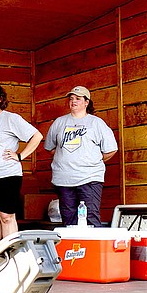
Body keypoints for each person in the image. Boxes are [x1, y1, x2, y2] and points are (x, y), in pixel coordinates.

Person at [0, 82, 42, 247]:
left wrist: (20, 156)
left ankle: (12, 256)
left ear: (1, 98)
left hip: (7, 176)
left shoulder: (11, 118)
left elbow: (37, 136)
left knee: (6, 216)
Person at [44, 86, 118, 227]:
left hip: (89, 178)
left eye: (78, 99)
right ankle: (73, 249)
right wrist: (65, 158)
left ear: (86, 102)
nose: (73, 101)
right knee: (68, 218)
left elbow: (111, 150)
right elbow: (50, 148)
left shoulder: (96, 123)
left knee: (90, 216)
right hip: (64, 179)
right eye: (71, 99)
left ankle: (93, 249)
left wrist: (92, 160)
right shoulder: (59, 122)